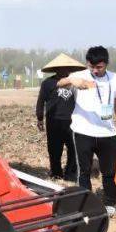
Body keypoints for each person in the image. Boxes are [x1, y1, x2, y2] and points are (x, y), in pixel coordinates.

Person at [59, 46, 116, 216]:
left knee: (109, 172)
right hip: (83, 131)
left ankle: (110, 203)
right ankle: (86, 204)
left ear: (106, 64)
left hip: (108, 133)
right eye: (91, 66)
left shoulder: (115, 78)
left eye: (99, 67)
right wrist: (71, 81)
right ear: (87, 63)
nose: (95, 71)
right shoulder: (80, 76)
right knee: (84, 170)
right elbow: (59, 83)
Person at [35, 53, 83, 181]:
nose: (64, 70)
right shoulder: (48, 83)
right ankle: (56, 172)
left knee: (73, 148)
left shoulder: (76, 83)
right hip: (53, 120)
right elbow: (41, 101)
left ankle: (70, 173)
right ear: (56, 69)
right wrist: (40, 118)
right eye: (60, 68)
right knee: (54, 149)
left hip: (73, 121)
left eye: (66, 68)